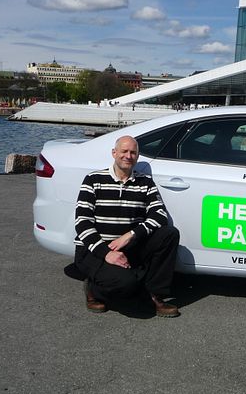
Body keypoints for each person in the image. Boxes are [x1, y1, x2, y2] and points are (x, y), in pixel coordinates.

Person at [74, 135, 180, 317]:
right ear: (114, 153)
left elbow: (159, 215)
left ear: (137, 157)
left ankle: (155, 294)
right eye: (124, 151)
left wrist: (131, 234)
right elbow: (82, 222)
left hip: (127, 246)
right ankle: (93, 288)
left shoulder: (145, 183)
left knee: (169, 234)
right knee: (126, 285)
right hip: (95, 251)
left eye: (133, 152)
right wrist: (107, 253)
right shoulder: (93, 179)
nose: (128, 156)